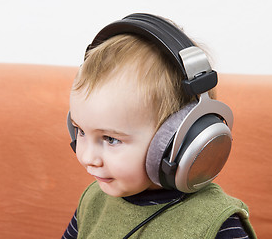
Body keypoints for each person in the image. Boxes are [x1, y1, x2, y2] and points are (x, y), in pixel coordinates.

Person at [62, 13, 256, 238]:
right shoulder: (93, 202)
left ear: (179, 140)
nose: (87, 157)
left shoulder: (217, 223)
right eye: (81, 131)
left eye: (110, 139)